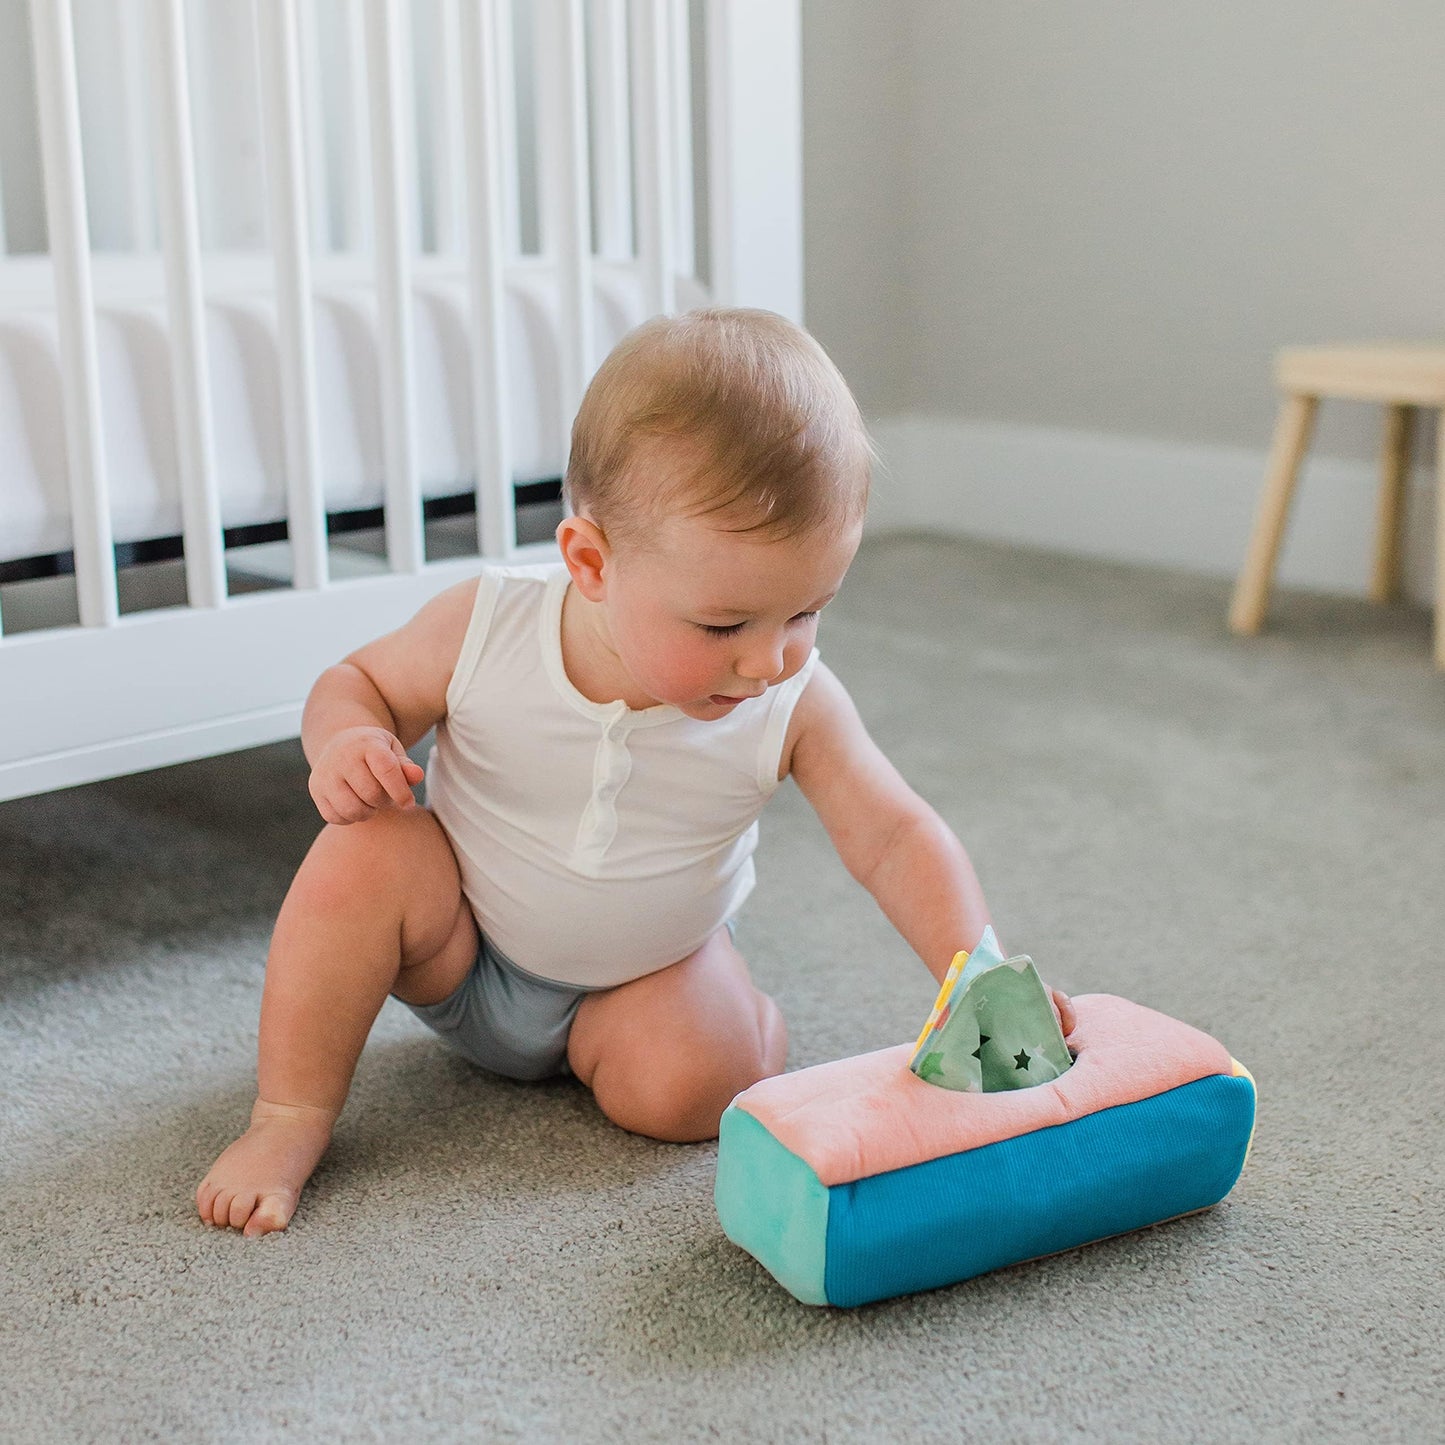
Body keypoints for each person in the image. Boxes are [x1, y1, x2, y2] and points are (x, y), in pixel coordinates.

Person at [196, 307, 1073, 1237]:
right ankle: (287, 1116)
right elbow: (356, 681)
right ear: (591, 562)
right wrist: (345, 740)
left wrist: (973, 969)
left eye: (807, 611)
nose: (768, 659)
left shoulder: (793, 699)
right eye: (724, 624)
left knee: (693, 1089)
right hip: (458, 947)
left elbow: (894, 834)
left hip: (641, 980)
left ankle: (742, 1017)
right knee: (363, 853)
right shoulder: (488, 629)